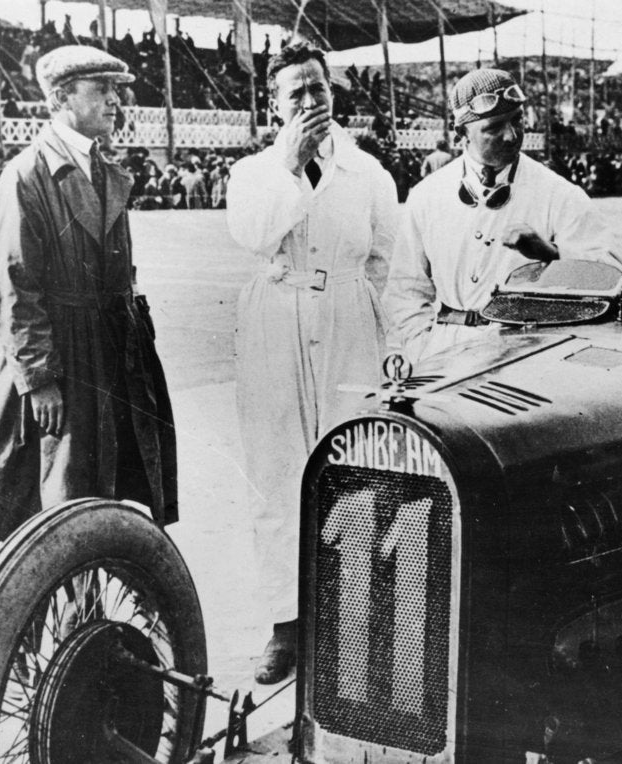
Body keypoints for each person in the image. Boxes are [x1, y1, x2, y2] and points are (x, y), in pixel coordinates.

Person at [226, 42, 398, 685]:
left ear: (334, 95)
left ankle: (354, 616)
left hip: (349, 315)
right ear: (274, 105)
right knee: (277, 471)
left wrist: (367, 315)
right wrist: (289, 169)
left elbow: (385, 258)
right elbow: (252, 234)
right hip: (276, 311)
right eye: (295, 93)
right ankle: (286, 623)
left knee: (356, 465)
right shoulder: (253, 173)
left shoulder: (370, 173)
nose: (309, 102)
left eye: (318, 90)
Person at [0, 45, 178, 542]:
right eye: (102, 89)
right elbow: (14, 284)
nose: (116, 101)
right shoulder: (25, 174)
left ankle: (97, 609)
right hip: (64, 360)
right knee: (58, 504)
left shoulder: (104, 169)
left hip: (112, 353)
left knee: (110, 495)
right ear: (62, 96)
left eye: (117, 90)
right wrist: (38, 378)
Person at [382, 67, 622, 364]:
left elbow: (610, 275)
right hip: (444, 354)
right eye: (494, 127)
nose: (511, 135)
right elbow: (405, 290)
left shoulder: (559, 194)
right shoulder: (426, 196)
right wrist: (423, 348)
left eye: (517, 120)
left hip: (527, 355)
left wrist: (553, 254)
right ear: (461, 134)